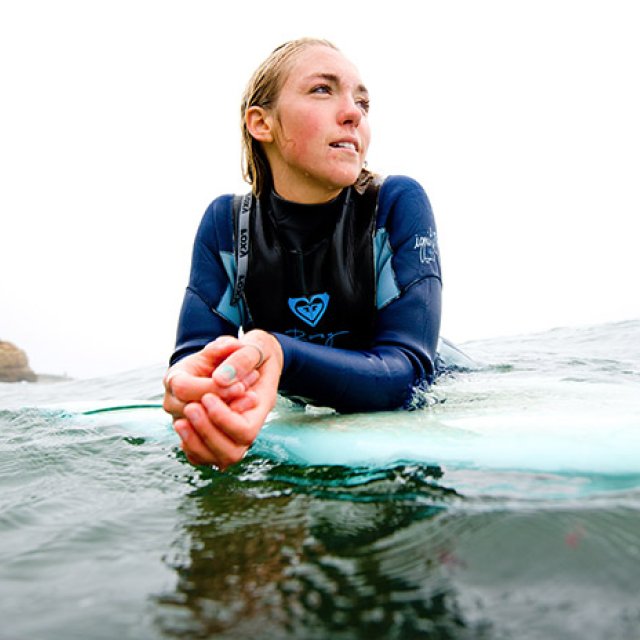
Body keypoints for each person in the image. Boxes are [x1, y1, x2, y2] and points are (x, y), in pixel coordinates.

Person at [163, 38, 442, 470]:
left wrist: (278, 353)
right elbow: (194, 357)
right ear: (261, 122)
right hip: (306, 400)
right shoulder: (226, 223)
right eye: (322, 90)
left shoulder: (394, 203)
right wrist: (192, 392)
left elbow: (409, 375)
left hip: (435, 389)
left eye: (363, 103)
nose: (353, 113)